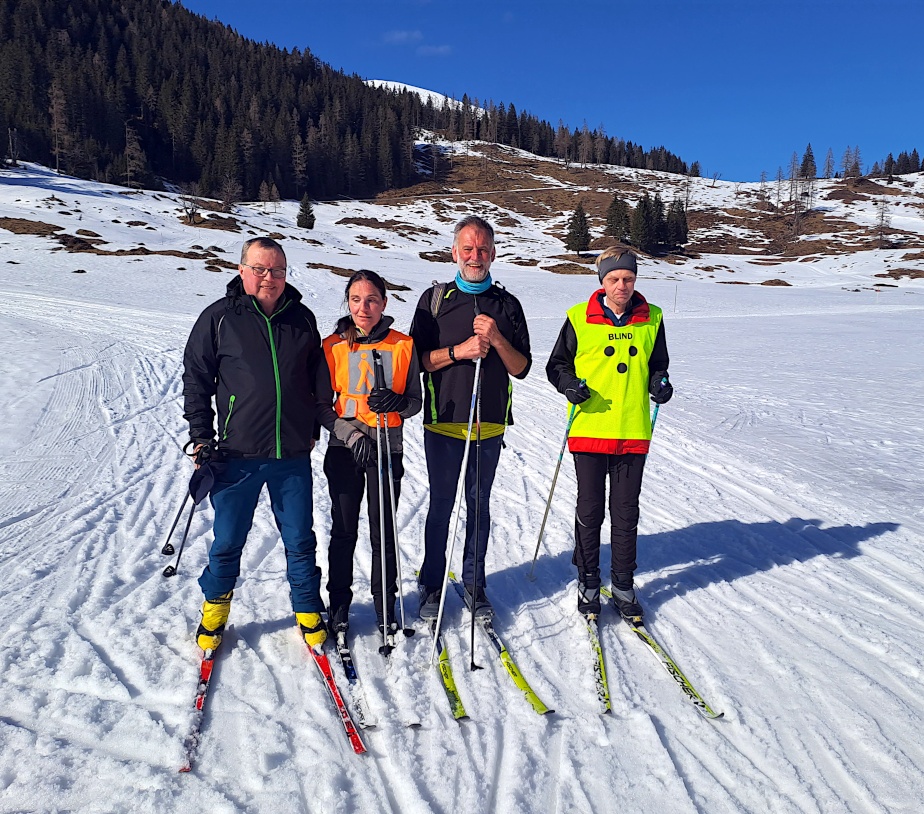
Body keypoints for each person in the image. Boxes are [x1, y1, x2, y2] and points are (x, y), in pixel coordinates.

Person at [182, 236, 328, 651]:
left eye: (277, 271)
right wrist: (201, 437)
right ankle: (215, 611)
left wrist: (315, 422)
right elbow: (197, 378)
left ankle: (307, 610)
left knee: (300, 539)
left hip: (291, 454)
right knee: (228, 539)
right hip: (235, 454)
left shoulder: (302, 319)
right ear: (242, 270)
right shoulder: (219, 318)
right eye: (261, 270)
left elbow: (316, 377)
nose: (270, 278)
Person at [410, 215, 531, 619]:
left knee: (478, 506)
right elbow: (417, 362)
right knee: (442, 505)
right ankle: (430, 584)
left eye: (482, 249)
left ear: (493, 253)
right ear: (454, 252)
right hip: (444, 424)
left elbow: (521, 367)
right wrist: (460, 352)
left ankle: (474, 584)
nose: (475, 256)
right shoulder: (433, 302)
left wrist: (496, 339)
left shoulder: (507, 305)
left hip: (489, 425)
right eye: (468, 248)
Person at [545, 245, 672, 622]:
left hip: (632, 430)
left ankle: (622, 584)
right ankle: (587, 580)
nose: (622, 286)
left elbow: (658, 364)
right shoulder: (579, 317)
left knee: (625, 512)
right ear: (602, 282)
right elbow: (556, 365)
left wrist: (660, 383)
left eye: (628, 279)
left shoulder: (653, 318)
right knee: (590, 509)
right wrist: (569, 385)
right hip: (589, 429)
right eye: (615, 279)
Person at [315, 270, 422, 638]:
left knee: (383, 532)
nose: (364, 307)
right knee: (344, 530)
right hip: (345, 449)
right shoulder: (332, 346)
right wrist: (350, 435)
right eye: (357, 300)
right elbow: (321, 406)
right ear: (348, 302)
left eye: (372, 299)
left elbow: (414, 403)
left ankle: (384, 604)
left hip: (386, 449)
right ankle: (339, 604)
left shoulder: (403, 345)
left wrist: (398, 402)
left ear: (384, 303)